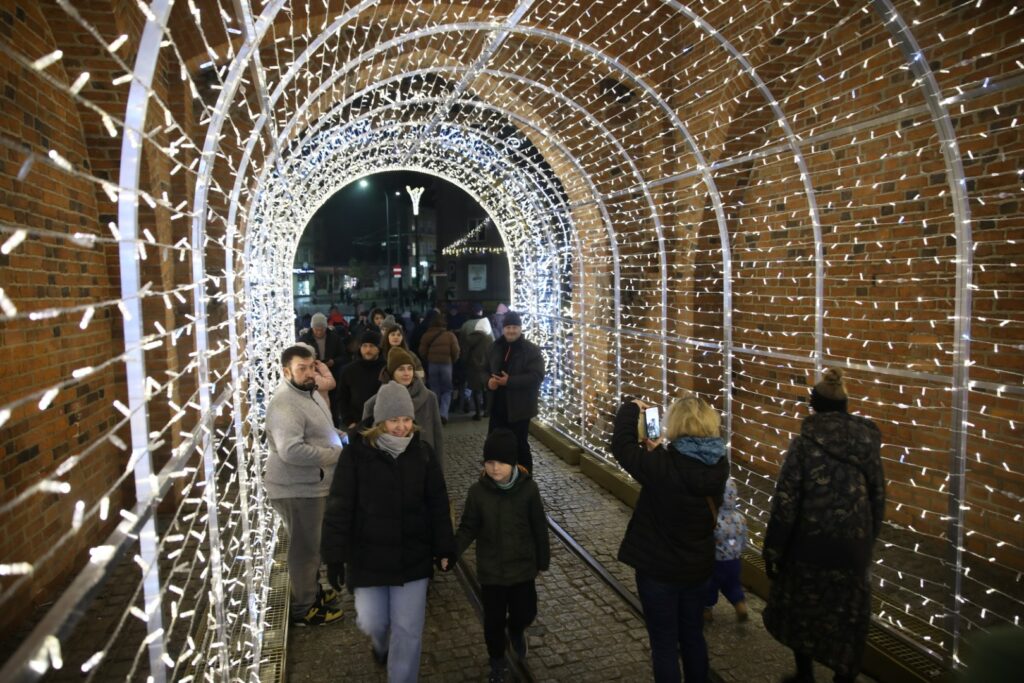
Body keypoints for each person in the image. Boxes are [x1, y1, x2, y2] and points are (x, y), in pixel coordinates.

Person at [322, 381, 456, 682]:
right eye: (394, 420)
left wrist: (445, 546)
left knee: (408, 630)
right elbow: (339, 505)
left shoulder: (422, 453)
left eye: (406, 420)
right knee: (373, 621)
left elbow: (437, 502)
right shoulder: (356, 455)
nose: (401, 427)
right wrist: (334, 555)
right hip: (368, 556)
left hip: (413, 556)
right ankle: (379, 644)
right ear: (381, 421)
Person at [762, 368, 885, 683]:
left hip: (808, 549)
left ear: (814, 405)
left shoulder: (804, 444)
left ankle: (805, 675)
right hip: (853, 552)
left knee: (804, 615)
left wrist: (773, 550)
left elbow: (785, 503)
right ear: (845, 406)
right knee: (848, 620)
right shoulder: (867, 443)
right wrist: (867, 542)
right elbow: (878, 496)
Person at [611, 394, 730, 683]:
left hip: (658, 572)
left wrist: (629, 409)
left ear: (675, 424)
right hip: (697, 569)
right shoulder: (719, 465)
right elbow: (689, 466)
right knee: (692, 636)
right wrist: (658, 453)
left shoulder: (660, 466)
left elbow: (622, 447)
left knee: (664, 644)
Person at [456, 428, 550, 683]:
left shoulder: (529, 491)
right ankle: (497, 661)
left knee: (525, 612)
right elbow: (468, 527)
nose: (495, 468)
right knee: (493, 622)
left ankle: (517, 629)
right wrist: (452, 552)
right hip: (492, 572)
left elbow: (539, 527)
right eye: (489, 462)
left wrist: (543, 559)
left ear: (513, 463)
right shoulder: (478, 493)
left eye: (501, 463)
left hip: (522, 568)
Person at [263, 344, 344, 626]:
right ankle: (304, 608)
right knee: (305, 549)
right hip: (296, 488)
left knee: (311, 545)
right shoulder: (285, 404)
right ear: (286, 371)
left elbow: (320, 429)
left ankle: (311, 591)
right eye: (302, 368)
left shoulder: (309, 393)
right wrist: (333, 454)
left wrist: (338, 435)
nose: (309, 373)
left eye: (312, 366)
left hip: (310, 485)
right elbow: (291, 451)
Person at [363, 348, 444, 471]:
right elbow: (367, 442)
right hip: (388, 467)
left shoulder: (429, 398)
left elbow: (438, 436)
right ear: (392, 372)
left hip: (423, 464)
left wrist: (439, 469)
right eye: (401, 369)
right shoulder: (374, 403)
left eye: (410, 368)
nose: (407, 373)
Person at [487, 311, 544, 473]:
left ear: (520, 328)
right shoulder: (494, 347)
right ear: (503, 329)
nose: (511, 330)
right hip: (498, 407)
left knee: (520, 446)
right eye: (508, 327)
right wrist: (488, 382)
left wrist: (509, 381)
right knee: (495, 445)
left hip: (520, 408)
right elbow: (483, 370)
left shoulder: (531, 350)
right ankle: (499, 477)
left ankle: (525, 481)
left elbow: (536, 376)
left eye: (514, 327)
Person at [702, 478, 749, 623]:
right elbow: (744, 540)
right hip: (734, 561)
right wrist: (738, 550)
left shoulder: (714, 519)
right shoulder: (740, 518)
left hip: (716, 562)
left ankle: (707, 610)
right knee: (733, 584)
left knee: (710, 586)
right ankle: (740, 606)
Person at [336, 330, 385, 429]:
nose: (368, 350)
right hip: (355, 423)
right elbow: (342, 398)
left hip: (382, 424)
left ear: (378, 348)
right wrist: (348, 421)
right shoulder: (348, 370)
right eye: (364, 346)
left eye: (372, 346)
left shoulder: (386, 369)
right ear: (360, 347)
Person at [418, 312, 460, 423]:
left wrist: (428, 358)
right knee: (447, 390)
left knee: (435, 390)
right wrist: (452, 360)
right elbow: (456, 351)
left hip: (432, 365)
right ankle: (443, 413)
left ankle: (435, 415)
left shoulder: (426, 335)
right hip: (446, 365)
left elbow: (422, 351)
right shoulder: (450, 335)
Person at [461, 316, 494, 420]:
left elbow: (465, 352)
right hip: (487, 366)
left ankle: (478, 413)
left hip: (473, 366)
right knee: (486, 388)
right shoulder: (490, 337)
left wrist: (464, 361)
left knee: (476, 390)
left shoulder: (470, 338)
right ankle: (487, 411)